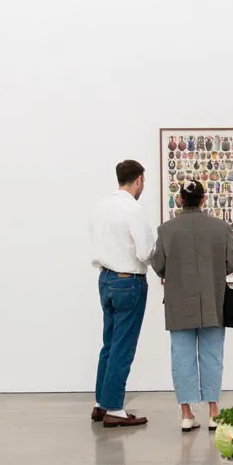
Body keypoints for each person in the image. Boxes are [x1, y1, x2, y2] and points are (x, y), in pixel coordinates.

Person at [150, 181, 233, 432]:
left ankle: (187, 413)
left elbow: (158, 266)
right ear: (203, 199)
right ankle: (213, 411)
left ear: (180, 199)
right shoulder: (221, 228)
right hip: (213, 301)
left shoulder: (166, 230)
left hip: (179, 303)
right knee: (212, 356)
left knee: (182, 358)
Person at [89, 159, 155, 428]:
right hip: (128, 281)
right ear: (139, 179)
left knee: (109, 343)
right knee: (122, 347)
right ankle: (114, 409)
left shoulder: (100, 206)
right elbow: (145, 251)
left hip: (105, 278)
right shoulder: (133, 209)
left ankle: (101, 403)